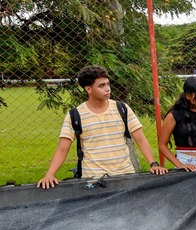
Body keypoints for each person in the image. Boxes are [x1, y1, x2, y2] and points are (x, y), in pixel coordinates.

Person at [37, 65, 167, 188]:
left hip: (125, 175)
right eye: (101, 85)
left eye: (108, 84)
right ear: (88, 89)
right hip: (93, 179)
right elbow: (62, 149)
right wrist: (50, 174)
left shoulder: (122, 108)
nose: (107, 88)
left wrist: (153, 164)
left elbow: (140, 139)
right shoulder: (75, 115)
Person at [158, 76, 196, 171]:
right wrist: (180, 164)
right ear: (188, 95)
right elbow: (162, 145)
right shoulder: (174, 115)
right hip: (185, 161)